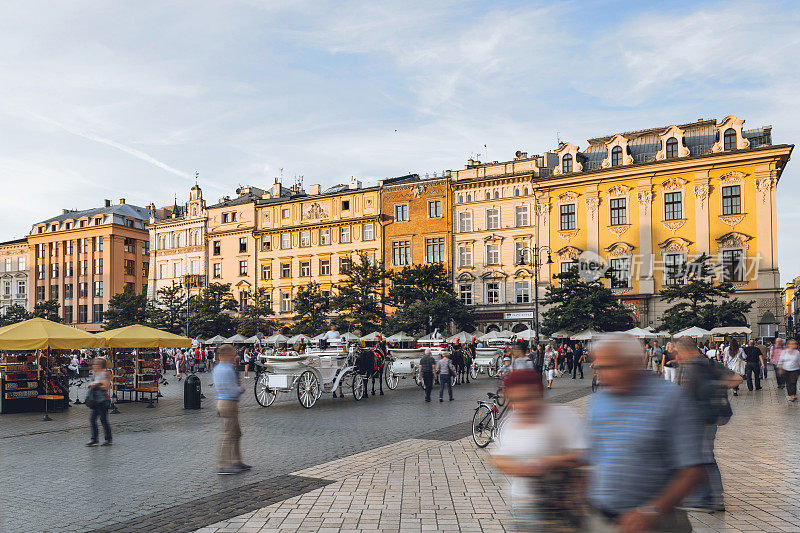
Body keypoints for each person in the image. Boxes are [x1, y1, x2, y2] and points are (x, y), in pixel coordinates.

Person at [586, 333, 707, 532]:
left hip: (656, 524)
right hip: (603, 521)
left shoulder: (671, 399)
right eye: (598, 366)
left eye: (610, 367)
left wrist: (651, 511)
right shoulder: (599, 400)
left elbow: (692, 471)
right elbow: (591, 459)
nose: (601, 374)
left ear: (633, 363)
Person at [491, 369, 586, 531]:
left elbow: (581, 455)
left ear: (540, 394)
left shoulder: (562, 416)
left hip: (560, 506)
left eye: (529, 398)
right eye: (516, 400)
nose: (523, 405)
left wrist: (546, 463)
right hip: (523, 505)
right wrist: (517, 468)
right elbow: (499, 458)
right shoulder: (510, 423)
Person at [675, 336, 742, 512]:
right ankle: (707, 497)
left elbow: (737, 378)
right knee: (702, 457)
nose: (677, 355)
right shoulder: (690, 365)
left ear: (686, 349)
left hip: (703, 419)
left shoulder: (705, 365)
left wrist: (713, 388)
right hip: (693, 419)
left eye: (678, 352)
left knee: (704, 458)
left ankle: (710, 498)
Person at [212, 344, 250, 475]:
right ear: (226, 355)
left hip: (225, 403)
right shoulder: (226, 370)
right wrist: (241, 389)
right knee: (229, 434)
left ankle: (236, 461)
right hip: (228, 403)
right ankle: (223, 465)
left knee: (236, 433)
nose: (235, 355)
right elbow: (231, 390)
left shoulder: (219, 368)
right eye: (233, 353)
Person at [86, 357, 112, 447]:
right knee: (92, 419)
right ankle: (94, 439)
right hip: (96, 400)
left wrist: (95, 386)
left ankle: (108, 439)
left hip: (103, 400)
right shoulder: (95, 374)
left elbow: (106, 386)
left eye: (95, 364)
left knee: (103, 420)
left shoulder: (105, 374)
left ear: (100, 366)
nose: (93, 366)